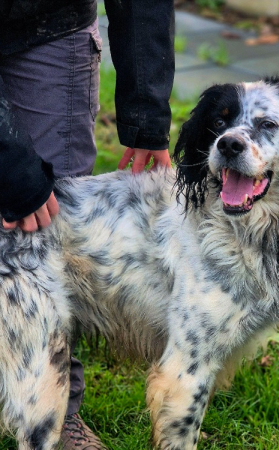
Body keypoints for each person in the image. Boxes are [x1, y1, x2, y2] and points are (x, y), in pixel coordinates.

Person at [0, 0, 175, 448]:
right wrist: (9, 161)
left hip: (49, 21)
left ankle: (55, 417)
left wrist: (147, 113)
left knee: (45, 238)